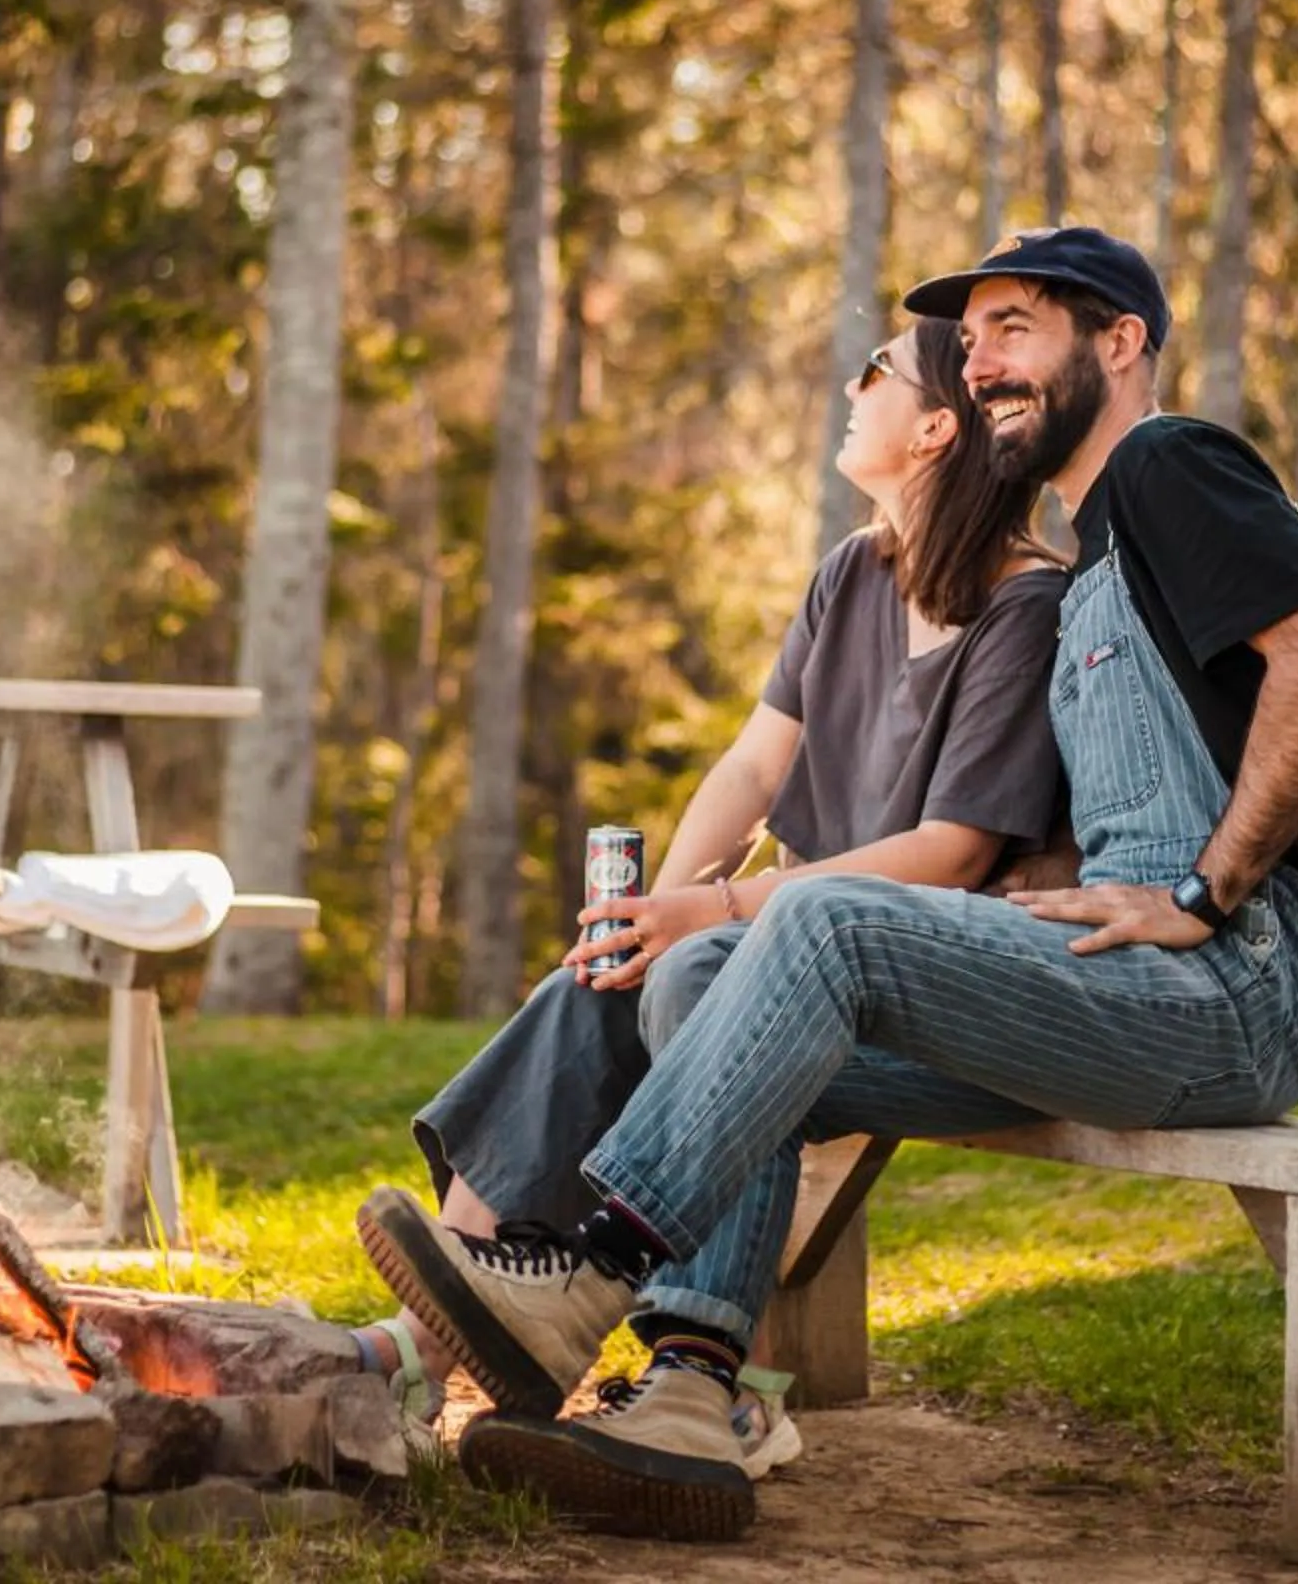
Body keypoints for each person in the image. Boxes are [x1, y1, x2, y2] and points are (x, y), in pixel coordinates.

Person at [353, 225, 1298, 1541]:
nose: (986, 359)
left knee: (821, 917)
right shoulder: (1089, 560)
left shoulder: (1172, 470)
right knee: (723, 983)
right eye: (976, 336)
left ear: (1121, 344)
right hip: (1108, 983)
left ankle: (584, 1283)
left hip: (1226, 987)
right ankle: (688, 1393)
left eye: (1019, 326)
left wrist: (1204, 891)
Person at [351, 312, 1072, 1475]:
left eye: (874, 371)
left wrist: (707, 919)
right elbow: (752, 765)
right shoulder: (855, 571)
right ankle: (422, 1349)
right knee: (621, 971)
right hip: (781, 952)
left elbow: (954, 851)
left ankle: (698, 1375)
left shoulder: (1025, 609)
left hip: (931, 986)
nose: (850, 384)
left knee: (693, 965)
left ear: (938, 424)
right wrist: (665, 902)